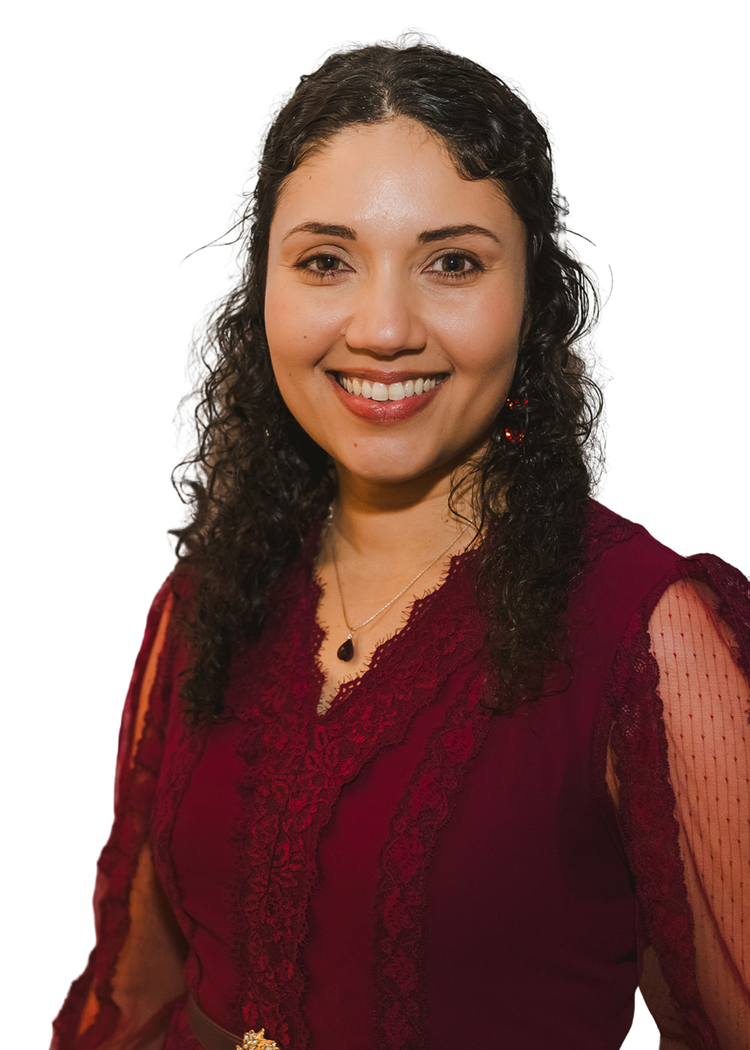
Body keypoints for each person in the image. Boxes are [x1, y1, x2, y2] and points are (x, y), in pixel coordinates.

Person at [51, 40, 750, 1050]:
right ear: (263, 288)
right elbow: (129, 985)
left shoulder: (652, 637)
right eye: (326, 262)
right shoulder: (207, 599)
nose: (383, 329)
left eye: (452, 263)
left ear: (534, 296)